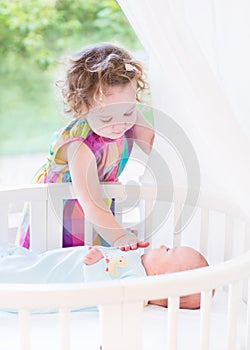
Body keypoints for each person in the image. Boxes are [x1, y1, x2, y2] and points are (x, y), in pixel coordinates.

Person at [17, 42, 154, 250]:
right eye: (107, 116)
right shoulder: (80, 145)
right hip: (59, 214)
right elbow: (90, 201)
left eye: (128, 111)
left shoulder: (126, 116)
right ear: (82, 106)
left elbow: (153, 144)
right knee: (61, 262)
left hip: (95, 213)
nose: (120, 123)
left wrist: (136, 114)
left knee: (97, 261)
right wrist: (119, 237)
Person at [0, 243, 209, 309]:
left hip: (59, 278)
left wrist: (94, 265)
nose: (162, 246)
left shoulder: (137, 287)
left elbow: (101, 296)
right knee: (34, 262)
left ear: (161, 276)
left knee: (26, 275)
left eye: (168, 251)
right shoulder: (136, 265)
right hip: (59, 263)